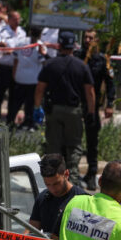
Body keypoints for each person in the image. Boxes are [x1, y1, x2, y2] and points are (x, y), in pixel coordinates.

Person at [35, 30, 96, 187]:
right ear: (74, 46)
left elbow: (40, 89)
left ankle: (53, 180)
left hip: (53, 110)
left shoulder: (50, 64)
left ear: (59, 45)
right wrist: (91, 112)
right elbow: (90, 91)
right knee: (74, 146)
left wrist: (37, 108)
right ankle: (73, 180)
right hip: (74, 111)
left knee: (53, 146)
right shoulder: (81, 66)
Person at [28, 154, 87, 240]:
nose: (52, 188)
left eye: (56, 183)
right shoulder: (43, 198)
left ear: (66, 174)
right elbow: (31, 231)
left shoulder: (82, 200)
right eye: (47, 184)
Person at [75, 29, 117, 190]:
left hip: (93, 105)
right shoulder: (77, 56)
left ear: (97, 40)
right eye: (85, 37)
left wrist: (110, 104)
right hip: (76, 104)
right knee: (74, 140)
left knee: (92, 141)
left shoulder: (102, 60)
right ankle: (73, 172)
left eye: (91, 38)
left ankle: (91, 174)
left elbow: (111, 83)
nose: (87, 40)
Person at [10, 26, 47, 130]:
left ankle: (11, 122)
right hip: (33, 80)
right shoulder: (41, 46)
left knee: (17, 102)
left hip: (21, 77)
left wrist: (14, 74)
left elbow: (15, 60)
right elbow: (44, 63)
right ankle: (29, 123)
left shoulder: (20, 42)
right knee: (30, 103)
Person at [0, 9, 26, 122]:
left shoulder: (22, 32)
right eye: (15, 19)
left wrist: (11, 50)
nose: (18, 21)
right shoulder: (2, 31)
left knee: (14, 94)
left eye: (19, 19)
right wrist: (7, 49)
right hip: (4, 67)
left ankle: (10, 119)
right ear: (9, 20)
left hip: (17, 68)